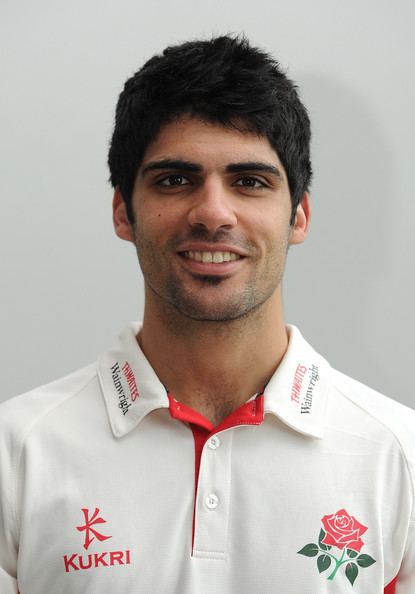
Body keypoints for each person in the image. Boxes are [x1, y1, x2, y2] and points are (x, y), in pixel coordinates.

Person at [0, 36, 413, 594]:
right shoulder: (16, 452)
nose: (213, 213)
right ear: (124, 212)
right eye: (175, 179)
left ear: (298, 216)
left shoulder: (400, 455)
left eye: (250, 182)